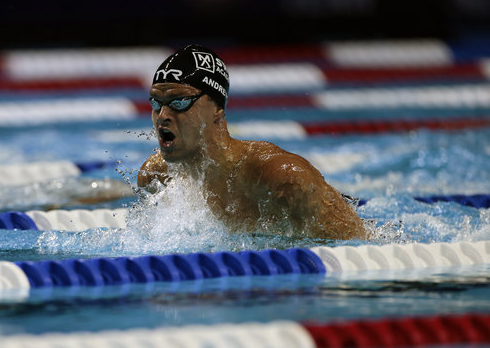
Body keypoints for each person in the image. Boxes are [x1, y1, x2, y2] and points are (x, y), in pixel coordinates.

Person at [138, 45, 366, 241]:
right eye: (156, 103)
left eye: (179, 102)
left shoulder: (282, 178)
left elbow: (357, 245)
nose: (162, 115)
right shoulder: (156, 177)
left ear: (217, 109)